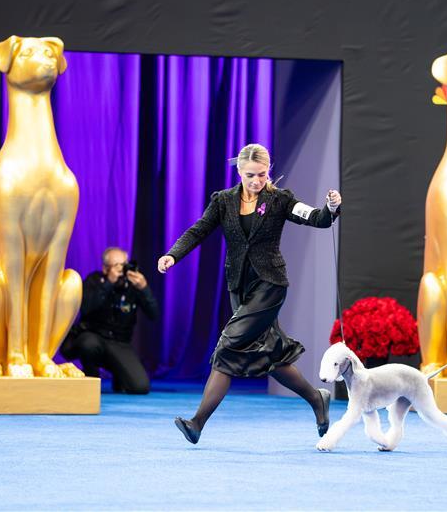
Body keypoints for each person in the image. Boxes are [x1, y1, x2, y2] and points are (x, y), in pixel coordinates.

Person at [158, 143, 342, 445]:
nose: (257, 181)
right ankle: (316, 398)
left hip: (270, 284)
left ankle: (197, 423)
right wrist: (173, 255)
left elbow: (318, 219)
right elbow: (199, 230)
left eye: (262, 174)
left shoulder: (280, 199)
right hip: (240, 287)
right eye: (250, 175)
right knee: (270, 357)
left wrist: (332, 207)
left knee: (227, 346)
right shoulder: (224, 201)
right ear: (239, 172)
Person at [60, 247, 160, 394]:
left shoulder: (133, 286)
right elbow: (86, 307)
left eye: (124, 264)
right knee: (87, 343)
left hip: (119, 344)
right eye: (116, 265)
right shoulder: (94, 281)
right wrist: (108, 284)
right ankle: (91, 379)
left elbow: (154, 314)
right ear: (105, 268)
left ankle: (118, 373)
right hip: (94, 337)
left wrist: (144, 288)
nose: (121, 269)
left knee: (140, 387)